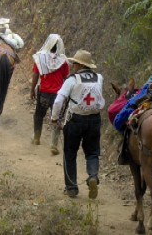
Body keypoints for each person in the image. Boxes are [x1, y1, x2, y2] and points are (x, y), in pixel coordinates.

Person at [51, 50, 105, 199]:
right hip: (94, 120)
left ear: (80, 65)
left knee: (70, 152)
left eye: (74, 63)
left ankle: (72, 188)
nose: (72, 65)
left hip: (75, 120)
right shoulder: (99, 78)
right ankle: (93, 176)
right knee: (92, 152)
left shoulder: (72, 80)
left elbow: (58, 100)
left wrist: (54, 118)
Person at [30, 34, 69, 155]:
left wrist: (32, 90)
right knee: (56, 118)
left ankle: (36, 137)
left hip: (43, 93)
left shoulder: (40, 59)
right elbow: (66, 77)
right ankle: (53, 144)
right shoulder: (63, 61)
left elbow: (36, 75)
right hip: (58, 95)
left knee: (38, 115)